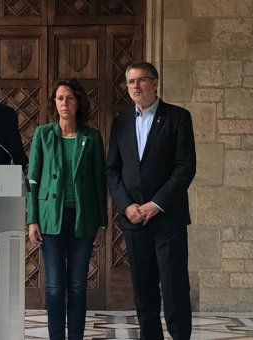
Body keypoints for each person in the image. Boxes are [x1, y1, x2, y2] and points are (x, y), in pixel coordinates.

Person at [106, 61, 196, 340]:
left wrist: (156, 204)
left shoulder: (178, 117)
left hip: (167, 218)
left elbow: (185, 167)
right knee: (143, 290)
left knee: (174, 287)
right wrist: (127, 205)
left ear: (155, 83)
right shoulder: (121, 121)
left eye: (141, 80)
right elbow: (112, 169)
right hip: (134, 220)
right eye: (130, 81)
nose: (135, 86)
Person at [27, 79, 107, 340]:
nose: (64, 103)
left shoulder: (92, 137)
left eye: (69, 98)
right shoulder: (43, 134)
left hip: (83, 219)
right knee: (53, 287)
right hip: (51, 218)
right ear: (54, 103)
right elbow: (33, 178)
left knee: (76, 286)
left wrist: (101, 224)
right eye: (60, 98)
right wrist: (32, 219)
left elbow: (99, 182)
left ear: (78, 102)